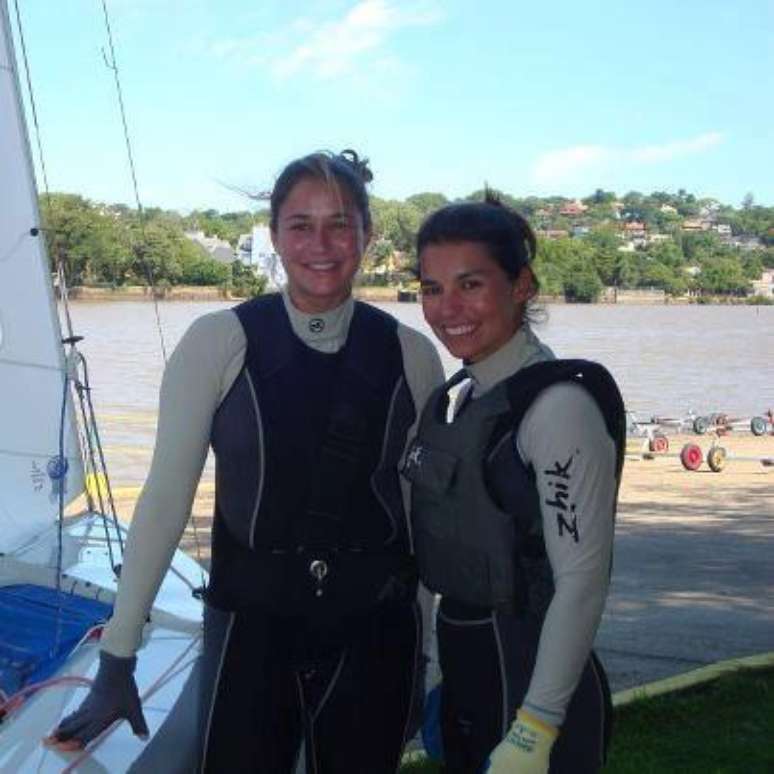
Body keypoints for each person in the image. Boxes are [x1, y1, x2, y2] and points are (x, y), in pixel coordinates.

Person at [46, 150, 444, 772]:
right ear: (274, 235)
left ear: (368, 235)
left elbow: (423, 521)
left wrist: (427, 658)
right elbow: (165, 500)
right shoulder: (218, 342)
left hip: (375, 630)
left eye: (340, 224)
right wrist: (116, 660)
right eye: (300, 225)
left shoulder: (411, 355)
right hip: (254, 627)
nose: (321, 243)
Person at [402, 193, 625, 774]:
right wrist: (430, 675)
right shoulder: (464, 398)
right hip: (469, 677)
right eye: (431, 288)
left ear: (521, 285)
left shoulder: (558, 409)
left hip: (536, 696)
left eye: (470, 284)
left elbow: (581, 581)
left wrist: (536, 727)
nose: (448, 308)